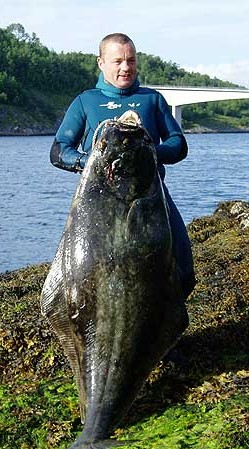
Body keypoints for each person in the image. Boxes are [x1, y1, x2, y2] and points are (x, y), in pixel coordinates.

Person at [50, 32, 196, 299]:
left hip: (151, 199)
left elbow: (178, 144)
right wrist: (90, 161)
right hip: (99, 204)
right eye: (117, 61)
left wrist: (149, 152)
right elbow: (59, 151)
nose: (125, 67)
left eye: (131, 60)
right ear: (101, 63)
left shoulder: (152, 100)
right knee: (93, 279)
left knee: (183, 270)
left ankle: (160, 331)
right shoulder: (86, 101)